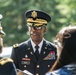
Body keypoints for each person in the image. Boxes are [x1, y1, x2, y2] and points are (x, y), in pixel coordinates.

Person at [11, 10, 57, 75]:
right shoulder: (18, 50)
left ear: (45, 29)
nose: (33, 30)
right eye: (30, 26)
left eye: (38, 27)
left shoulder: (54, 50)